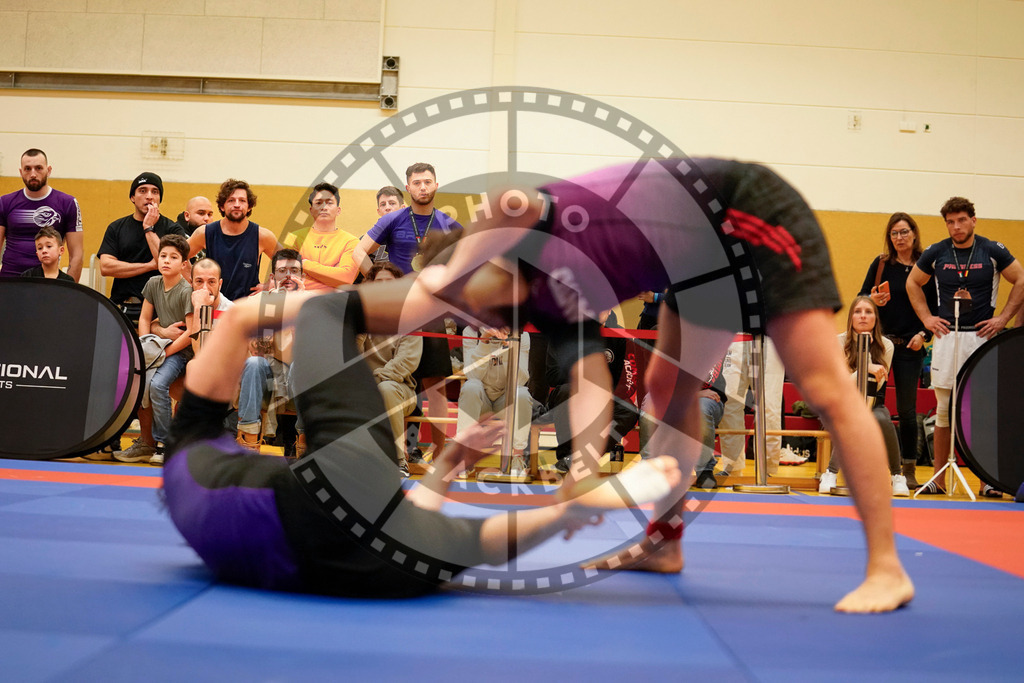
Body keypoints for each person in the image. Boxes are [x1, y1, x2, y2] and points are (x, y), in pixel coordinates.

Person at [408, 157, 914, 612]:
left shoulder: (516, 234)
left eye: (469, 301)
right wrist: (577, 476)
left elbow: (509, 200)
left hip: (747, 211)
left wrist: (449, 270)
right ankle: (665, 541)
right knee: (667, 385)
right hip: (695, 262)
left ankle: (888, 569)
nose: (479, 316)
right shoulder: (545, 301)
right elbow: (591, 382)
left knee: (827, 390)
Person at [161, 285, 681, 598]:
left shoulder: (191, 479)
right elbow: (243, 318)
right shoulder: (194, 436)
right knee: (326, 312)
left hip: (372, 574)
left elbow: (382, 515)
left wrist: (449, 462)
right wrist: (437, 287)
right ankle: (462, 290)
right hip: (319, 504)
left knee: (466, 543)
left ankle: (572, 510)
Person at [906, 197, 1024, 497]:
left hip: (981, 337)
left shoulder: (992, 250)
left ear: (973, 220)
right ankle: (939, 479)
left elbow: (1020, 280)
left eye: (961, 220)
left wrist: (1003, 319)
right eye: (950, 221)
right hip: (947, 337)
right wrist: (927, 318)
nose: (956, 226)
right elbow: (912, 283)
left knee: (981, 411)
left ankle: (987, 480)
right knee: (944, 409)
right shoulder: (936, 252)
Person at [355, 164, 463, 459]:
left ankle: (440, 453)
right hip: (398, 312)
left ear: (437, 185)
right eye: (417, 183)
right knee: (402, 381)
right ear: (408, 187)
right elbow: (358, 252)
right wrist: (379, 283)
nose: (423, 187)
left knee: (435, 385)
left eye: (427, 182)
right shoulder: (393, 218)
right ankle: (409, 448)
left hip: (431, 313)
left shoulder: (448, 223)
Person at [859, 212, 935, 488]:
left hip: (910, 346)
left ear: (914, 234)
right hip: (880, 346)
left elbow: (936, 309)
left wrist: (924, 335)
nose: (899, 238)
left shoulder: (927, 266)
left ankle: (908, 469)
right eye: (894, 233)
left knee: (906, 410)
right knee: (871, 405)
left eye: (904, 232)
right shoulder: (881, 264)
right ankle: (869, 463)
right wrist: (873, 300)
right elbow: (861, 299)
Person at [115, 234, 194, 466]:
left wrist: (165, 353)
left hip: (179, 352)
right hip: (157, 347)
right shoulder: (152, 284)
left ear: (183, 263)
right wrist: (147, 343)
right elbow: (144, 319)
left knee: (158, 385)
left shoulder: (186, 290)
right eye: (163, 256)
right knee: (141, 384)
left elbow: (190, 333)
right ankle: (145, 442)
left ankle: (166, 443)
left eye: (173, 257)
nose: (166, 261)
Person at [818, 297, 908, 497]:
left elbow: (875, 386)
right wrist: (865, 369)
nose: (863, 316)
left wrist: (865, 363)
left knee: (883, 418)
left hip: (871, 402)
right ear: (851, 318)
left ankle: (897, 476)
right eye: (858, 312)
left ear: (876, 318)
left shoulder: (886, 346)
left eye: (869, 312)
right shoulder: (838, 342)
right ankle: (831, 473)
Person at [356, 262, 422, 475]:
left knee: (386, 390)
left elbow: (406, 363)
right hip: (364, 386)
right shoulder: (360, 316)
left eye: (389, 282)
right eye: (379, 282)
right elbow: (350, 359)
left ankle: (397, 460)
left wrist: (372, 381)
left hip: (400, 390)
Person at [236, 250, 305, 455]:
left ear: (302, 276)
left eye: (294, 270)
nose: (289, 276)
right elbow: (257, 351)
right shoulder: (258, 302)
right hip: (269, 376)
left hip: (300, 375)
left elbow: (312, 351)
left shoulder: (314, 303)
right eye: (282, 271)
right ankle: (248, 439)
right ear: (273, 278)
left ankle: (305, 438)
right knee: (253, 364)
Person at [97, 172, 187, 327]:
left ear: (159, 199)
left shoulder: (172, 228)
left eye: (155, 192)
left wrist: (148, 228)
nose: (149, 196)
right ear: (133, 197)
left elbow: (171, 264)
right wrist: (149, 266)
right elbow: (106, 267)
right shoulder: (116, 228)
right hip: (123, 306)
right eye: (143, 191)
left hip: (161, 312)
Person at [642, 356, 727, 490]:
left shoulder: (709, 340)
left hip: (708, 397)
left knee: (701, 409)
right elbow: (659, 379)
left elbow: (707, 380)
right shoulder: (669, 340)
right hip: (675, 396)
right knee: (650, 403)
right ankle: (650, 465)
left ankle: (705, 470)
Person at [457, 325, 532, 476]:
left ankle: (517, 456)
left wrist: (507, 347)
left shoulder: (522, 335)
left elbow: (521, 379)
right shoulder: (470, 332)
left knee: (522, 393)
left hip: (506, 399)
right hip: (481, 399)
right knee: (471, 387)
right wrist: (484, 341)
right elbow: (473, 375)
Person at [187, 179, 279, 301]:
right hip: (214, 305)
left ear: (249, 206)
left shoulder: (262, 235)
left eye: (242, 200)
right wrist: (195, 282)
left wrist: (271, 284)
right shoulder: (205, 233)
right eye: (231, 200)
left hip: (246, 308)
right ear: (222, 206)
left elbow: (290, 263)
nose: (237, 204)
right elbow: (179, 257)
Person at [0, 149, 83, 281]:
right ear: (21, 172)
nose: (33, 174)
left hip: (48, 285)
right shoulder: (4, 202)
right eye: (27, 169)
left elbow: (76, 255)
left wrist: (68, 291)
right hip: (10, 282)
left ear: (48, 170)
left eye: (38, 168)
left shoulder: (68, 203)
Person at [716, 335, 785, 476]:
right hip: (735, 334)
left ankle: (767, 470)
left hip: (769, 335)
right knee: (729, 404)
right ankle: (732, 468)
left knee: (768, 406)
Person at [296, 183, 360, 290]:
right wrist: (331, 275)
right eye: (318, 203)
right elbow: (287, 278)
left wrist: (304, 264)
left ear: (338, 210)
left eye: (329, 203)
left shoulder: (351, 241)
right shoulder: (294, 238)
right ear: (311, 210)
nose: (324, 207)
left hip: (333, 302)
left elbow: (345, 279)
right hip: (297, 299)